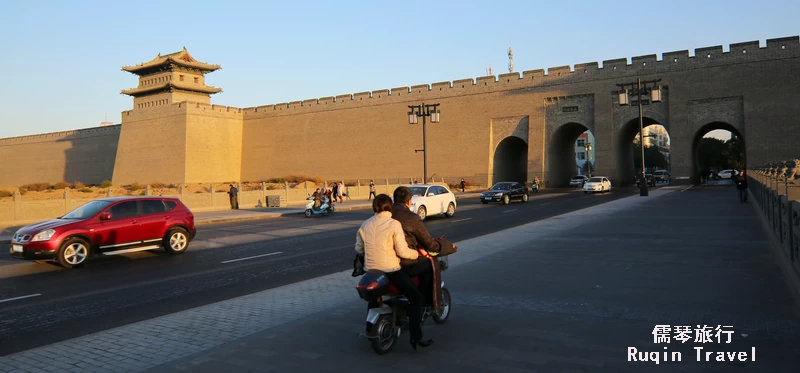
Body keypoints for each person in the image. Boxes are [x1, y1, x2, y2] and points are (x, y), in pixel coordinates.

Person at [355, 194, 433, 350]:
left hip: (371, 273)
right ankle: (416, 337)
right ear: (389, 207)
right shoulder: (393, 224)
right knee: (416, 298)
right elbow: (403, 251)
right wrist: (415, 254)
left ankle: (370, 329)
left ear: (374, 207)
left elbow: (359, 249)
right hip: (391, 271)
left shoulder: (365, 225)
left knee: (374, 299)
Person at [391, 186, 453, 309]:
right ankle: (423, 303)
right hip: (405, 262)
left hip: (382, 260)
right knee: (429, 266)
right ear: (409, 201)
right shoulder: (412, 218)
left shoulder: (385, 215)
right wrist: (443, 246)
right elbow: (428, 243)